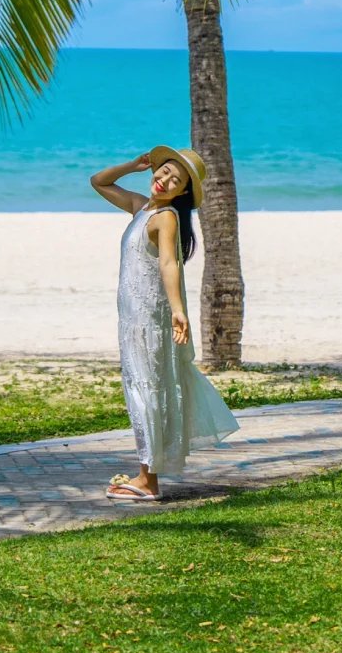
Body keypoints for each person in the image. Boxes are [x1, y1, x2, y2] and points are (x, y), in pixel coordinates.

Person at [90, 146, 239, 501]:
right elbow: (98, 181)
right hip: (132, 319)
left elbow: (169, 264)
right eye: (164, 171)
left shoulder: (166, 217)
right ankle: (146, 475)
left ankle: (148, 480)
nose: (165, 180)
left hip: (149, 322)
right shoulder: (141, 207)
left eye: (175, 179)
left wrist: (177, 310)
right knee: (142, 391)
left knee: (148, 393)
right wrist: (132, 165)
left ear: (183, 191)